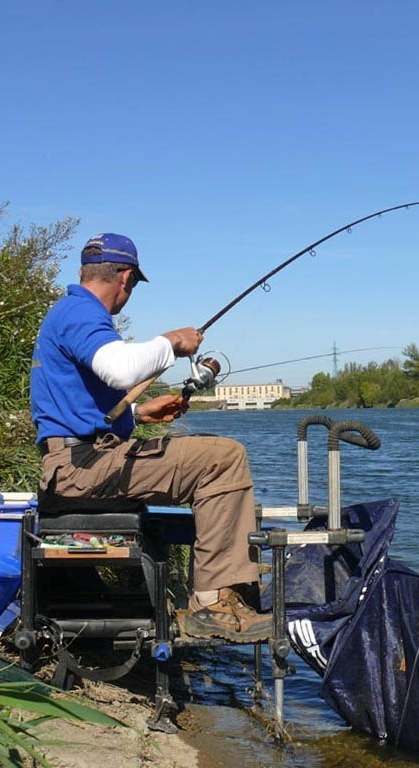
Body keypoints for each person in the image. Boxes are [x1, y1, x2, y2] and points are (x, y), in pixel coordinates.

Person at [29, 232, 271, 643]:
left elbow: (81, 408)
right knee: (223, 457)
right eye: (133, 286)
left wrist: (139, 414)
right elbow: (121, 370)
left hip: (78, 462)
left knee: (212, 455)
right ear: (125, 278)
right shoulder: (80, 313)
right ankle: (212, 603)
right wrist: (172, 342)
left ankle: (227, 590)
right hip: (80, 467)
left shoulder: (69, 313)